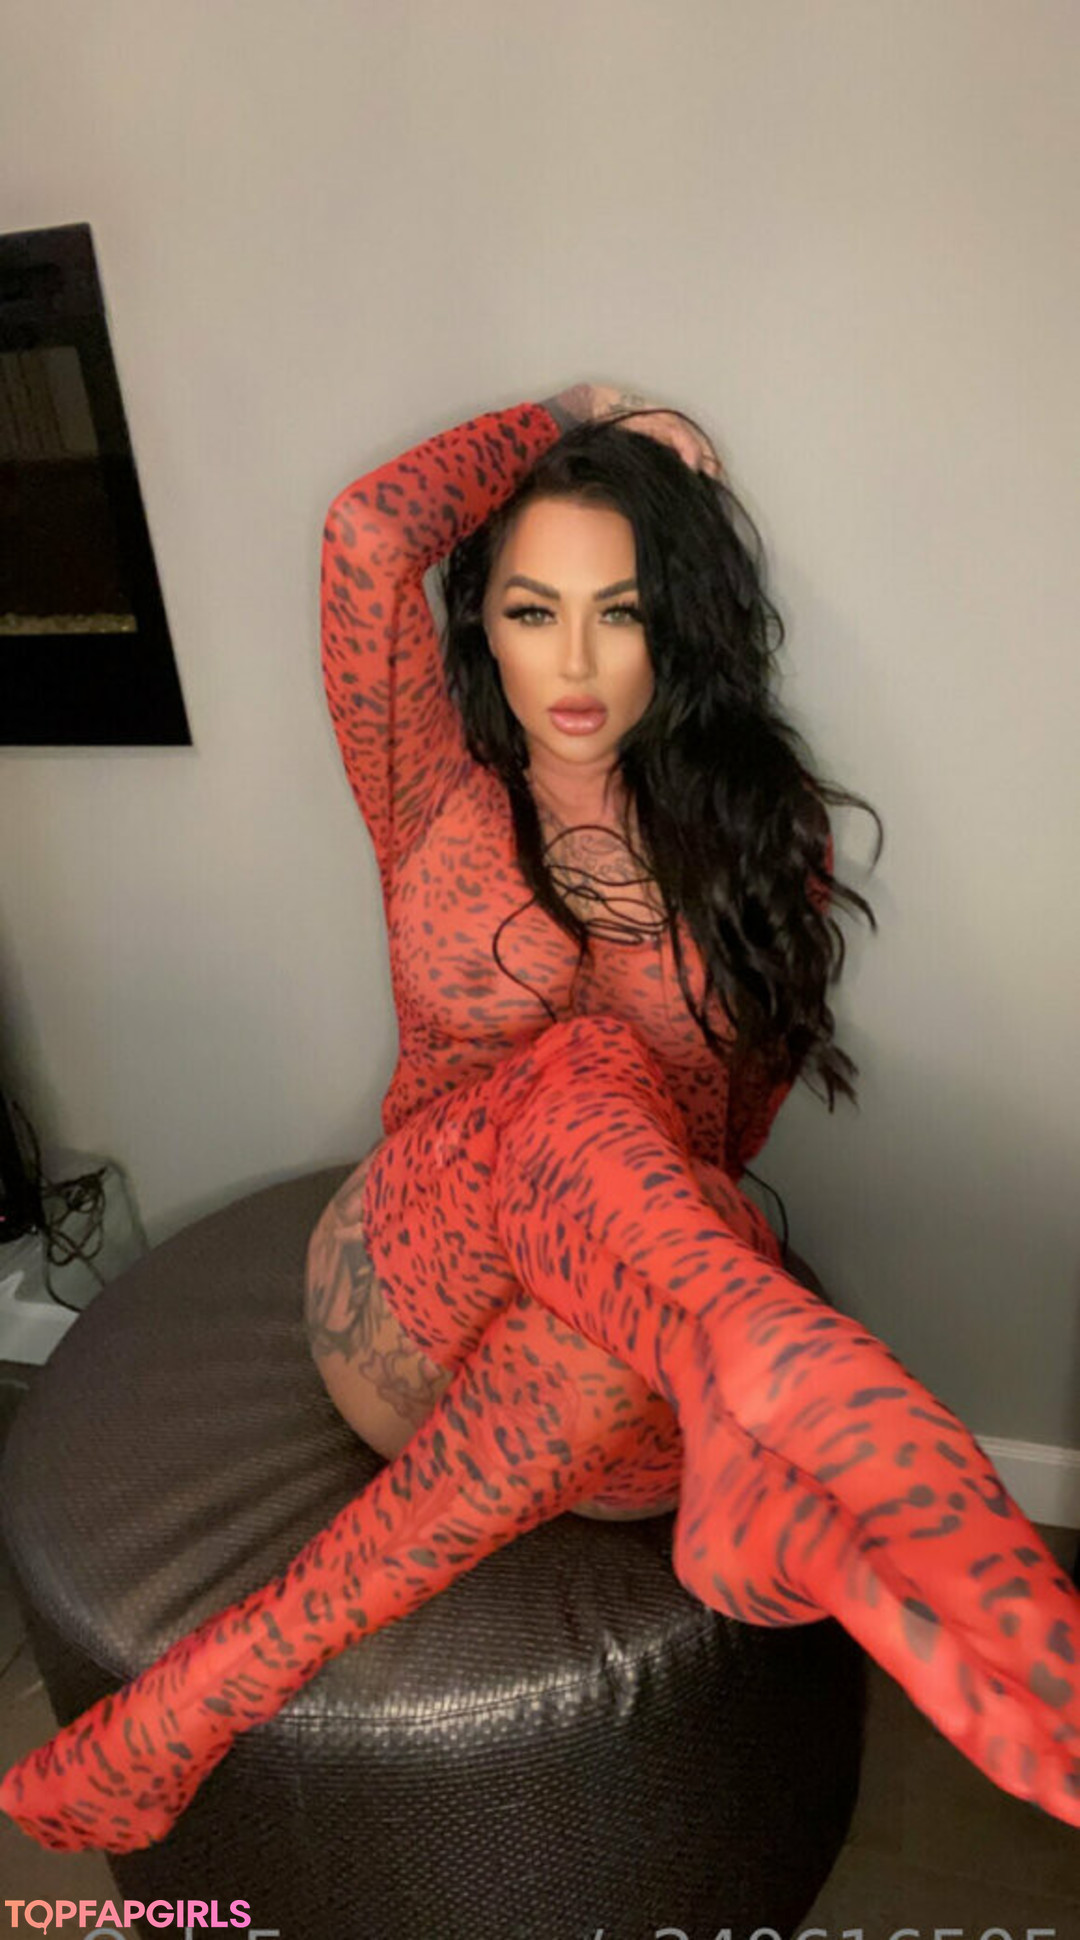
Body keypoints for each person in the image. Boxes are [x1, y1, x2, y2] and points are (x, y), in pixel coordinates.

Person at [2, 383, 1078, 1856]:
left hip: (623, 1374)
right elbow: (370, 533)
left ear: (677, 628)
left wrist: (670, 1253)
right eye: (531, 610)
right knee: (588, 1072)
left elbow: (731, 1129)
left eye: (620, 613)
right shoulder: (430, 788)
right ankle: (791, 1410)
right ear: (484, 625)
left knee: (632, 1271)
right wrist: (576, 414)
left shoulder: (767, 838)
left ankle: (213, 1688)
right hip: (409, 1295)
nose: (573, 663)